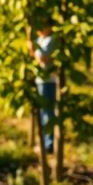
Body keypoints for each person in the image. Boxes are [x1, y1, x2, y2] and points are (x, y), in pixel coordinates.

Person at [32, 25, 57, 154]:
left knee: (47, 112)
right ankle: (44, 142)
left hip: (48, 81)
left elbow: (44, 59)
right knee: (42, 112)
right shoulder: (39, 40)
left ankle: (49, 144)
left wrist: (32, 49)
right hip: (40, 80)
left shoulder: (50, 40)